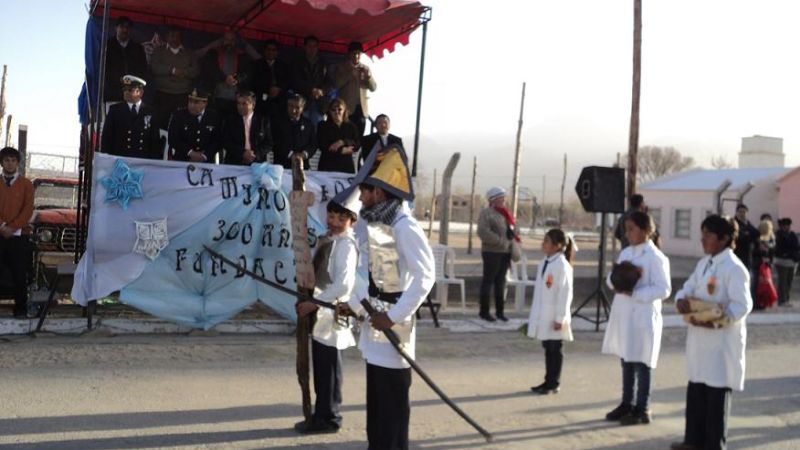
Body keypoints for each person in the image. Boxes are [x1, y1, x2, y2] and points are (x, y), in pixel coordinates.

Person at [337, 145, 434, 450]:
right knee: (377, 406)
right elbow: (376, 281)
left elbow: (425, 277)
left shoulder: (406, 228)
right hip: (376, 321)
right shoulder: (382, 226)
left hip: (394, 326)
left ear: (379, 193)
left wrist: (392, 317)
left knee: (392, 405)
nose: (361, 198)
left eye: (365, 192)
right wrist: (353, 306)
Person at [671, 215, 752, 450]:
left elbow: (743, 305)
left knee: (716, 396)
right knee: (696, 390)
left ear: (725, 238)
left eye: (708, 234)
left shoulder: (734, 268)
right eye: (702, 232)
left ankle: (713, 445)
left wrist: (718, 322)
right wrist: (680, 300)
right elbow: (688, 286)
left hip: (720, 342)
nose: (702, 238)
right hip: (699, 340)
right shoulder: (704, 263)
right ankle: (693, 441)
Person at [294, 193, 360, 434]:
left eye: (340, 219)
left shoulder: (346, 246)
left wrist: (315, 302)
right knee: (322, 367)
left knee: (329, 368)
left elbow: (343, 285)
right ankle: (321, 415)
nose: (332, 222)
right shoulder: (329, 239)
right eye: (330, 216)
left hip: (332, 312)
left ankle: (330, 418)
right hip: (320, 310)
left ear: (352, 221)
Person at [602, 211, 671, 426]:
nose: (627, 233)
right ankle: (627, 403)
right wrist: (617, 282)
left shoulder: (656, 257)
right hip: (625, 313)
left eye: (631, 229)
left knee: (642, 361)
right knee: (626, 358)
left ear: (646, 230)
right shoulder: (626, 254)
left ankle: (643, 407)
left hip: (643, 314)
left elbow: (664, 288)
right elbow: (611, 278)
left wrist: (636, 293)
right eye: (626, 229)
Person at [527, 228, 575, 395]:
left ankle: (554, 382)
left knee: (555, 348)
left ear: (558, 245)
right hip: (544, 313)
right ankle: (548, 380)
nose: (543, 244)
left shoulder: (562, 265)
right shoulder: (545, 261)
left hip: (555, 314)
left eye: (547, 241)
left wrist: (560, 318)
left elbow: (565, 294)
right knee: (548, 347)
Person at [0, 147, 34, 318]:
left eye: (13, 160)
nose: (10, 163)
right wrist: (2, 227)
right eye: (6, 160)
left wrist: (12, 227)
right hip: (0, 233)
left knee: (19, 273)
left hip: (19, 236)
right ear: (2, 162)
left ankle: (21, 309)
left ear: (18, 163)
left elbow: (28, 210)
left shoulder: (26, 184)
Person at [477, 186, 519, 322]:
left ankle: (500, 312)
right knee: (488, 282)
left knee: (501, 282)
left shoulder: (507, 214)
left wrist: (513, 238)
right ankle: (484, 312)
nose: (503, 201)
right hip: (492, 252)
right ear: (493, 200)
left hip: (505, 253)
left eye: (504, 198)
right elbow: (483, 232)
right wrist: (500, 242)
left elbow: (512, 230)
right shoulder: (487, 214)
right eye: (500, 198)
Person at [101, 75, 163, 159]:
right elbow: (106, 139)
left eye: (130, 90)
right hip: (120, 161)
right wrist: (107, 160)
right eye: (124, 89)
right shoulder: (115, 110)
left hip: (142, 161)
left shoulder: (150, 112)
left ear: (140, 92)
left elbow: (155, 142)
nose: (126, 92)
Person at [198, 30, 257, 118]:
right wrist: (224, 78)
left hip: (235, 99)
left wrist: (237, 79)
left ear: (236, 41)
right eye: (227, 40)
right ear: (222, 40)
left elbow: (248, 73)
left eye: (232, 40)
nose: (229, 42)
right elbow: (209, 69)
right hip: (216, 97)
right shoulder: (213, 53)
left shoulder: (243, 55)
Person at [149, 27, 199, 130]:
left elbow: (196, 71)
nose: (174, 39)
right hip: (163, 95)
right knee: (159, 125)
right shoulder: (159, 51)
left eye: (177, 36)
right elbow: (154, 67)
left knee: (181, 125)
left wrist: (184, 72)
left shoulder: (189, 53)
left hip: (183, 95)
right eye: (172, 36)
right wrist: (172, 70)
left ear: (181, 38)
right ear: (167, 37)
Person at [332, 41, 376, 137]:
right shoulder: (341, 67)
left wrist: (369, 77)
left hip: (361, 109)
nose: (356, 56)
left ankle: (357, 150)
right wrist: (349, 75)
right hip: (346, 108)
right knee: (345, 135)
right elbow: (336, 85)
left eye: (359, 53)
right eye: (354, 53)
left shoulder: (365, 68)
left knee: (359, 135)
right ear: (349, 54)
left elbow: (373, 88)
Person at [167, 88, 222, 162]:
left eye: (196, 102)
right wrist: (190, 153)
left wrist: (204, 155)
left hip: (206, 161)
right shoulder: (179, 115)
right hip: (182, 159)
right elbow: (173, 138)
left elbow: (217, 140)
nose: (192, 105)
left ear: (205, 103)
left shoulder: (213, 117)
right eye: (190, 101)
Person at [103, 16, 148, 105]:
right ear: (116, 28)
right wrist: (115, 91)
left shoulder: (138, 48)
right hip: (113, 97)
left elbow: (143, 71)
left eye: (127, 27)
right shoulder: (106, 47)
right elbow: (103, 72)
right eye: (122, 27)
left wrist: (136, 91)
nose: (125, 30)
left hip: (133, 96)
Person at [220, 90, 272, 165]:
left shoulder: (263, 121)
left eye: (244, 104)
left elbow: (268, 142)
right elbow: (226, 141)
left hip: (257, 163)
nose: (240, 107)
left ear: (253, 105)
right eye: (238, 104)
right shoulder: (230, 120)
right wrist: (243, 153)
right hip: (235, 162)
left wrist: (254, 155)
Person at [290, 35, 329, 127]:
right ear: (305, 47)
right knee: (300, 129)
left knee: (316, 132)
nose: (312, 49)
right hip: (301, 103)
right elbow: (295, 80)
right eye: (309, 46)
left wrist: (321, 91)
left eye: (314, 46)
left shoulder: (322, 63)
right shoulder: (297, 61)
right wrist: (311, 89)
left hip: (318, 103)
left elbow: (328, 82)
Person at [271, 94, 316, 169]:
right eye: (291, 106)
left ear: (302, 108)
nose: (294, 110)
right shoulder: (278, 122)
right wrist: (291, 155)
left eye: (297, 107)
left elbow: (313, 144)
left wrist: (304, 154)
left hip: (303, 165)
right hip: (282, 165)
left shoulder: (309, 124)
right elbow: (275, 142)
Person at [316, 98, 359, 173]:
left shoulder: (352, 126)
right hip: (327, 166)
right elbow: (322, 145)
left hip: (346, 167)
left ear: (344, 110)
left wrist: (342, 142)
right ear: (329, 111)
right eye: (333, 109)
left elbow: (357, 143)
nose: (336, 112)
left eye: (339, 109)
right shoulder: (322, 126)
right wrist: (341, 151)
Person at [252, 39, 289, 121]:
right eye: (268, 49)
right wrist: (268, 89)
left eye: (273, 50)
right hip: (261, 101)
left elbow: (288, 82)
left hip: (278, 103)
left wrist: (279, 89)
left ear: (277, 52)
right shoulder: (257, 65)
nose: (271, 52)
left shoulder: (283, 66)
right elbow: (253, 82)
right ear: (264, 51)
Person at [753, 218, 777, 309]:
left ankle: (764, 302)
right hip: (758, 264)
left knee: (766, 285)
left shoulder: (770, 239)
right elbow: (753, 252)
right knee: (757, 284)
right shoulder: (756, 239)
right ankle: (757, 303)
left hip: (765, 265)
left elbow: (772, 251)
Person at [775, 218, 799, 306]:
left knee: (789, 281)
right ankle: (782, 300)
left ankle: (786, 299)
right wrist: (787, 253)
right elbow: (779, 248)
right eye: (785, 225)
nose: (787, 227)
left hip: (791, 261)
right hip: (781, 261)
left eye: (788, 225)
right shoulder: (779, 234)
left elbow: (796, 247)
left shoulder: (792, 235)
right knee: (782, 281)